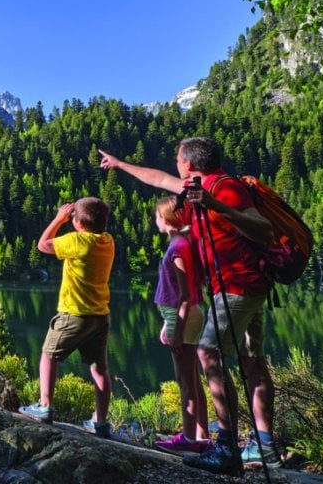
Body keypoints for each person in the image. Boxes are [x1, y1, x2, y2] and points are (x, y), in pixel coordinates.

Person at [99, 138, 278, 475]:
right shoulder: (197, 187)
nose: (175, 166)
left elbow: (264, 231)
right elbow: (156, 178)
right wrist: (120, 164)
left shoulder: (224, 189)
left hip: (238, 286)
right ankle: (264, 443)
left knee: (209, 352)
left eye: (177, 160)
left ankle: (227, 448)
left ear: (189, 163)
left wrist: (216, 206)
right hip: (247, 286)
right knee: (251, 359)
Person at [19, 197, 115, 438]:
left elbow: (43, 245)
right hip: (100, 315)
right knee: (99, 368)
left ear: (79, 223)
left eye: (73, 218)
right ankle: (100, 422)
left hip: (74, 313)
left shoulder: (77, 241)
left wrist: (59, 219)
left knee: (49, 355)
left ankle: (45, 407)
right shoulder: (107, 240)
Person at [151, 195, 210, 454]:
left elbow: (185, 295)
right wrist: (169, 323)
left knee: (186, 380)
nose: (155, 220)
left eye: (156, 216)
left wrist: (175, 331)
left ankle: (188, 439)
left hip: (183, 316)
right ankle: (201, 435)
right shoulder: (184, 244)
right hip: (179, 316)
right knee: (193, 380)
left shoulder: (178, 249)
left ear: (165, 219)